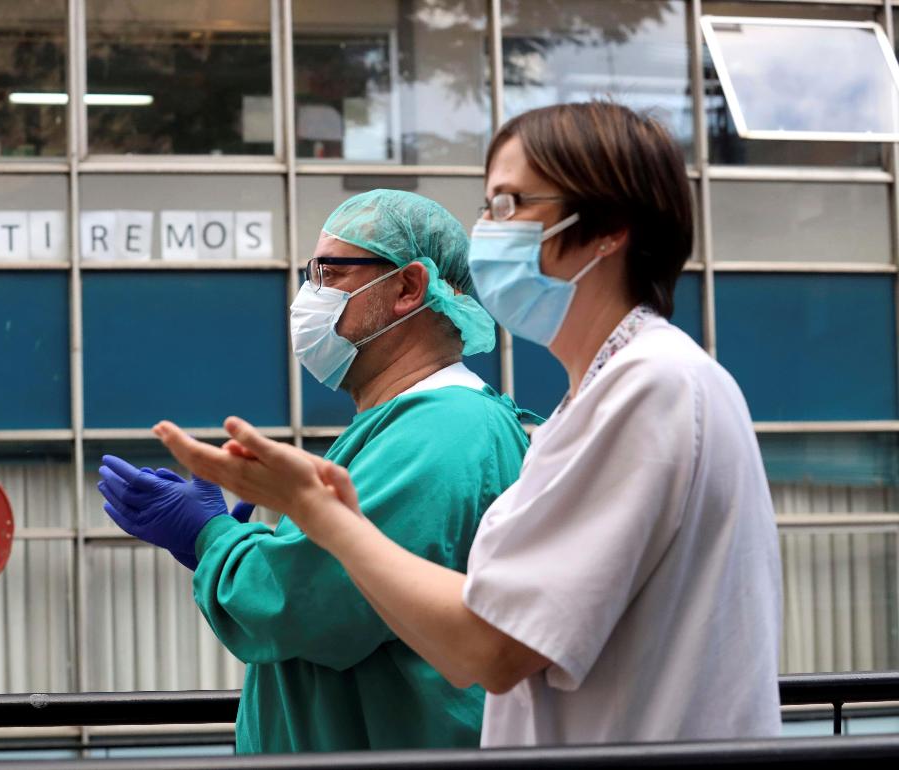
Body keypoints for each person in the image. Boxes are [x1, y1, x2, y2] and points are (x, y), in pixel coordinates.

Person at [154, 102, 783, 747]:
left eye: (509, 206)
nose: (485, 231)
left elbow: (490, 646)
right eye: (486, 207)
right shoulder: (605, 399)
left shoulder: (652, 388)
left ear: (608, 228)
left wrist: (315, 514)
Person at [97, 189, 534, 753]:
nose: (310, 296)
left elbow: (312, 606)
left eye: (329, 273)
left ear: (407, 288)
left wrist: (213, 540)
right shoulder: (405, 423)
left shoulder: (442, 430)